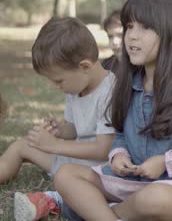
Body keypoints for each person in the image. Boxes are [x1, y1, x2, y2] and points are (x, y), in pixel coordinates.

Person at [53, 0, 172, 221]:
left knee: (154, 199)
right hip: (130, 182)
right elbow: (120, 133)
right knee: (65, 174)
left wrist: (166, 162)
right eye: (129, 26)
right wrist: (118, 155)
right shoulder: (127, 85)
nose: (132, 36)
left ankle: (97, 212)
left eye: (146, 27)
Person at [8, 17, 116, 221]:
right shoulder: (76, 88)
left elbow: (103, 149)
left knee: (64, 177)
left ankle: (55, 199)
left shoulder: (110, 92)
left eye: (58, 80)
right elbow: (74, 129)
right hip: (71, 160)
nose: (56, 86)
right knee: (21, 146)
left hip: (94, 171)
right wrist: (60, 130)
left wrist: (55, 144)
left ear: (85, 66)